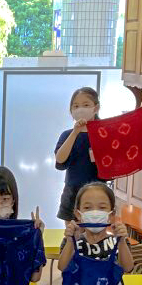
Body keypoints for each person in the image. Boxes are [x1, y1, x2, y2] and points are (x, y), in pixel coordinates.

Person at [54, 87, 104, 224]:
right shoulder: (67, 134)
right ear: (71, 110)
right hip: (73, 192)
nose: (80, 109)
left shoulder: (104, 133)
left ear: (96, 108)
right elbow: (60, 159)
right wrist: (75, 132)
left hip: (98, 192)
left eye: (86, 105)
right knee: (72, 232)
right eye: (76, 106)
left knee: (96, 232)